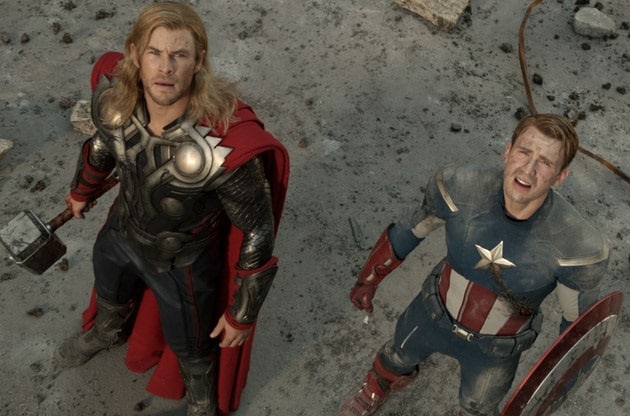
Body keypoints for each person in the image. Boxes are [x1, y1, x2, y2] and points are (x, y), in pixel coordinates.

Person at [53, 2, 289, 416]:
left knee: (192, 348)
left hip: (182, 265)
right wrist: (82, 190)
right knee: (109, 296)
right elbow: (103, 144)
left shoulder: (223, 149)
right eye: (155, 53)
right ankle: (106, 333)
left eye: (179, 55)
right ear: (134, 54)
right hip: (120, 235)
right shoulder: (114, 101)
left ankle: (201, 402)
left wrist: (241, 314)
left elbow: (256, 230)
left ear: (198, 61)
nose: (166, 68)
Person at [338, 113, 609, 416]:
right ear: (508, 151)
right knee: (397, 357)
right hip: (430, 313)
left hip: (495, 351)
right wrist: (368, 280)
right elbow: (409, 230)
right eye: (524, 152)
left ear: (560, 177)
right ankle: (379, 384)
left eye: (545, 162)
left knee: (478, 406)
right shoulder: (459, 187)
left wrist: (560, 379)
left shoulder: (578, 247)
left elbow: (575, 329)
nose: (528, 169)